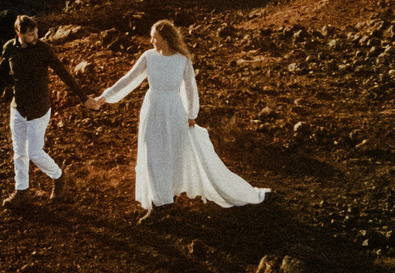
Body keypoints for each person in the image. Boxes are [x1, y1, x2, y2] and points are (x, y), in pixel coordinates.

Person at [101, 19, 269, 222]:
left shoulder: (182, 60)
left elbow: (190, 88)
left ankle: (168, 195)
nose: (152, 41)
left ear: (166, 39)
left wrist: (191, 114)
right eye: (152, 37)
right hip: (153, 109)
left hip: (174, 110)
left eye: (155, 37)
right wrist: (104, 97)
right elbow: (129, 79)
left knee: (173, 153)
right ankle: (159, 203)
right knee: (152, 154)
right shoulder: (149, 57)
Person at [0, 14, 86, 208]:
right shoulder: (10, 48)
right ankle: (21, 191)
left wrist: (82, 97)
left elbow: (62, 72)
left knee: (34, 152)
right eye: (31, 34)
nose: (36, 37)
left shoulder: (43, 50)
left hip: (39, 109)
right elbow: (1, 75)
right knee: (19, 152)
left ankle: (59, 177)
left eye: (36, 33)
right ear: (19, 34)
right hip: (18, 108)